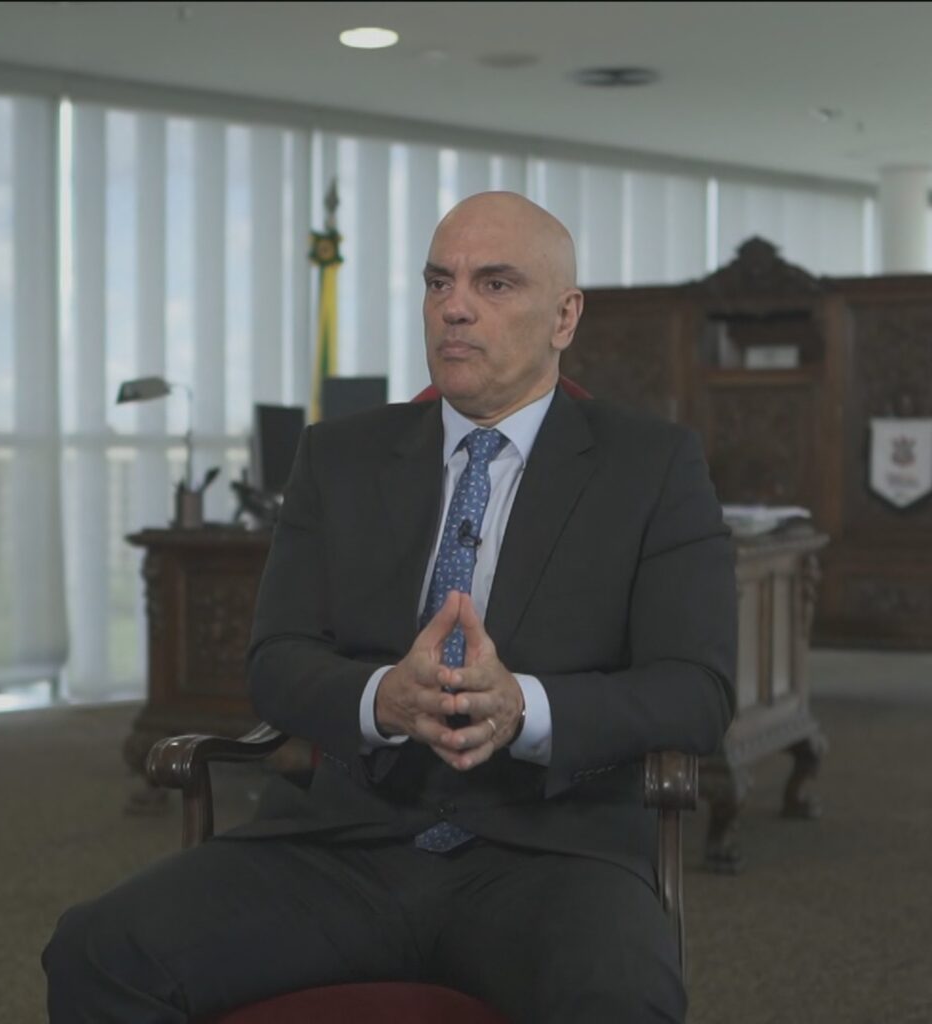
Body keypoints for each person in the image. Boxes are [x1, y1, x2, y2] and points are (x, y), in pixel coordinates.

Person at [43, 191, 737, 1023]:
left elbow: (696, 692)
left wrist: (524, 708)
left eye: (494, 284)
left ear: (564, 316)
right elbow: (276, 663)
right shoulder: (337, 456)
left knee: (622, 1000)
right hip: (341, 845)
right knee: (96, 951)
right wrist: (382, 699)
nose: (455, 307)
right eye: (439, 281)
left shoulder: (651, 467)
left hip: (553, 854)